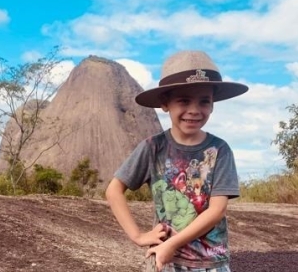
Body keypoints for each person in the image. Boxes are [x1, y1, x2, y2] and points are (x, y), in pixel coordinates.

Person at [106, 51, 248, 272]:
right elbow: (114, 190)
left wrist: (171, 244)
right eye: (184, 100)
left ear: (212, 105)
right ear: (165, 103)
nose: (194, 110)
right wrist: (138, 236)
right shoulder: (153, 147)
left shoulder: (219, 150)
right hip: (165, 261)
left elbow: (217, 210)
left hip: (209, 262)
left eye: (204, 101)